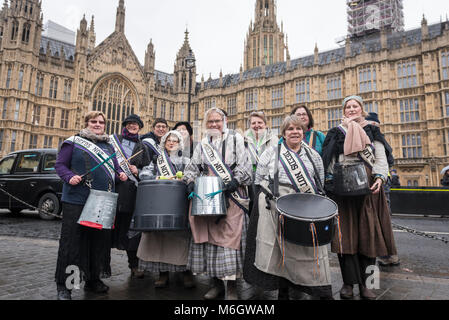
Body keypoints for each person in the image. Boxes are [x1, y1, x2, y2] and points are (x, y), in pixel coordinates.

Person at [244, 115, 333, 300]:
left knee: (305, 250)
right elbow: (259, 180)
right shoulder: (270, 153)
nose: (295, 132)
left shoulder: (313, 155)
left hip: (305, 209)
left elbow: (320, 181)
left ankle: (305, 286)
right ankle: (283, 290)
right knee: (279, 250)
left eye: (298, 129)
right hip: (277, 206)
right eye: (290, 129)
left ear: (303, 132)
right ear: (283, 133)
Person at [322, 95, 397, 300]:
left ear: (361, 109)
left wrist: (380, 178)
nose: (352, 109)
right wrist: (330, 180)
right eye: (348, 107)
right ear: (344, 110)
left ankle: (369, 285)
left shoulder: (372, 131)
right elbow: (329, 159)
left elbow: (381, 159)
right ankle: (348, 284)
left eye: (355, 106)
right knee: (345, 239)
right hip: (343, 191)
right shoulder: (336, 132)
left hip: (368, 190)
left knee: (369, 238)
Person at [54, 111, 128, 300]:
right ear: (86, 123)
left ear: (105, 125)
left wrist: (120, 173)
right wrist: (69, 177)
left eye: (101, 122)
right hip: (77, 199)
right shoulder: (73, 142)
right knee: (73, 244)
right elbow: (60, 165)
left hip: (102, 199)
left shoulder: (109, 146)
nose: (97, 124)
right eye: (93, 121)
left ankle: (93, 280)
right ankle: (66, 286)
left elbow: (115, 166)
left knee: (99, 243)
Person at [183, 107, 252, 300]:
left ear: (225, 121)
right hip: (207, 197)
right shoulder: (202, 144)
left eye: (217, 121)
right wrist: (189, 182)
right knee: (210, 241)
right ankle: (215, 284)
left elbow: (246, 165)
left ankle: (231, 286)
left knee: (230, 241)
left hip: (232, 197)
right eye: (210, 122)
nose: (214, 125)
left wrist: (235, 181)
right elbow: (192, 167)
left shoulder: (237, 140)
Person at [137, 130, 195, 288]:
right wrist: (156, 177)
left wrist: (183, 178)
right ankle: (163, 274)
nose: (171, 143)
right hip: (159, 203)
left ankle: (185, 272)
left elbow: (192, 175)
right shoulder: (157, 160)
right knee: (160, 240)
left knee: (181, 240)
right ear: (164, 143)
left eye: (175, 141)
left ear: (179, 143)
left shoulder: (186, 160)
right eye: (168, 140)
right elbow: (144, 174)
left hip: (179, 204)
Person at [109, 114, 150, 278]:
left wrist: (137, 171)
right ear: (125, 125)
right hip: (112, 189)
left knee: (130, 231)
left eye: (136, 124)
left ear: (140, 127)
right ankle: (100, 266)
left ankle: (134, 265)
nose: (133, 126)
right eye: (130, 123)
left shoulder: (143, 146)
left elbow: (148, 169)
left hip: (131, 193)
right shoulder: (114, 141)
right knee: (106, 231)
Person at [365, 113, 400, 267]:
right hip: (373, 182)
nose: (371, 126)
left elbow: (388, 160)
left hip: (380, 183)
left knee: (381, 219)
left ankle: (388, 254)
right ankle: (383, 253)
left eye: (373, 124)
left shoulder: (378, 139)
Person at [244, 111, 279, 215]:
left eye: (260, 122)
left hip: (266, 179)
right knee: (252, 206)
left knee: (264, 206)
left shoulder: (273, 139)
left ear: (265, 124)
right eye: (253, 123)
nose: (257, 125)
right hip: (249, 178)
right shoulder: (243, 139)